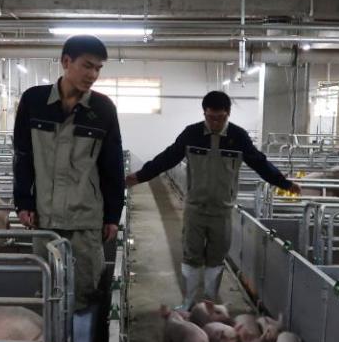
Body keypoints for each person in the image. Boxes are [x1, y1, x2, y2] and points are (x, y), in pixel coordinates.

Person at [125, 90, 300, 310]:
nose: (215, 122)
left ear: (228, 113)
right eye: (210, 117)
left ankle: (209, 301)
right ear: (204, 113)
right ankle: (188, 301)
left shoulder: (239, 137)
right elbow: (168, 158)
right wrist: (140, 176)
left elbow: (260, 163)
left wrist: (283, 183)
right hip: (195, 208)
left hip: (222, 210)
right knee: (191, 255)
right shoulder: (192, 134)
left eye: (220, 118)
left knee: (216, 257)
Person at [12, 35, 125, 311]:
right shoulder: (33, 100)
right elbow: (22, 155)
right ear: (66, 62)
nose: (93, 74)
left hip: (85, 218)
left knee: (85, 290)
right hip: (44, 215)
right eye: (87, 66)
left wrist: (112, 214)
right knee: (49, 287)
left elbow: (112, 165)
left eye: (98, 68)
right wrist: (23, 202)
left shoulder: (103, 108)